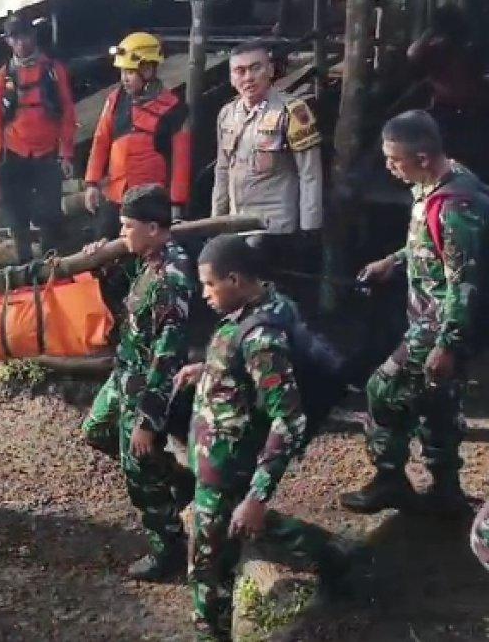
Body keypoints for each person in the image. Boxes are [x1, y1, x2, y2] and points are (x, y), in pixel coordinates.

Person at [175, 235, 347, 641]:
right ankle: (334, 555)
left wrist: (257, 497)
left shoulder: (262, 339)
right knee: (232, 538)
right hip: (218, 462)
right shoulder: (262, 306)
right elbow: (246, 370)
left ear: (234, 279)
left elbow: (288, 420)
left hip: (230, 466)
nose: (204, 295)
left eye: (209, 285)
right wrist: (211, 370)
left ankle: (209, 633)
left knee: (208, 566)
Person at [340, 111, 481, 515]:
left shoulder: (457, 206)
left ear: (422, 157)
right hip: (430, 317)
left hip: (439, 324)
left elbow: (464, 283)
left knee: (382, 390)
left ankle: (389, 479)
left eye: (394, 159)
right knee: (436, 400)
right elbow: (432, 245)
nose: (388, 167)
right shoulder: (434, 183)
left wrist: (448, 345)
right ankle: (446, 490)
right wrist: (393, 261)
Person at [79, 184, 195, 580]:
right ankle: (177, 478)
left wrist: (148, 420)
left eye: (127, 226)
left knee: (140, 472)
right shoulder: (146, 258)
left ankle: (170, 552)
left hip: (145, 388)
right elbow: (124, 295)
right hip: (124, 374)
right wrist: (102, 262)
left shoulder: (171, 281)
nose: (122, 233)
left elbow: (168, 359)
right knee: (95, 429)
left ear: (152, 227)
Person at [213, 40, 323, 275]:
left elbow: (310, 173)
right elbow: (222, 170)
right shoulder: (227, 115)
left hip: (275, 227)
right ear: (232, 78)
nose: (248, 78)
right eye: (240, 71)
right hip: (236, 224)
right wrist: (217, 220)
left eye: (256, 68)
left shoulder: (291, 111)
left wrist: (309, 228)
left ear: (270, 70)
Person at [0, 13, 78, 263]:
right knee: (17, 212)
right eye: (14, 37)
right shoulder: (2, 76)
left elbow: (68, 113)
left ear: (33, 35)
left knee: (50, 210)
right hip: (14, 152)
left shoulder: (53, 71)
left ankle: (50, 260)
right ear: (8, 41)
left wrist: (66, 152)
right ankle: (24, 263)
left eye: (25, 35)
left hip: (47, 152)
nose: (21, 42)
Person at [84, 33, 190, 241]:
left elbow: (181, 161)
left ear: (148, 70)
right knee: (101, 251)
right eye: (123, 71)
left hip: (150, 202)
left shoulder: (174, 108)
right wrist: (92, 183)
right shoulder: (115, 100)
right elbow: (101, 140)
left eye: (130, 72)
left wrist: (177, 204)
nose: (124, 77)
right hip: (115, 196)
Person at [406, 6, 489, 183]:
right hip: (447, 110)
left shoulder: (473, 49)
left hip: (475, 110)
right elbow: (413, 55)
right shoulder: (435, 50)